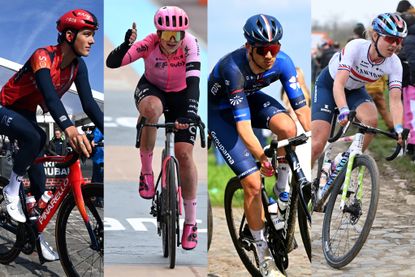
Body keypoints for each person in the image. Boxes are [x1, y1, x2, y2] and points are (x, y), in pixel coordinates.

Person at [208, 14, 310, 276]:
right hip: (220, 114)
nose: (269, 56)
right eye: (262, 50)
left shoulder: (283, 62)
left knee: (288, 128)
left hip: (249, 100)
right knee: (253, 183)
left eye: (274, 49)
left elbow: (303, 113)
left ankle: (280, 192)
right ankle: (262, 254)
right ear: (248, 47)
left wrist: (315, 139)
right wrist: (263, 159)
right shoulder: (233, 68)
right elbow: (243, 128)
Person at [0, 9, 103, 261]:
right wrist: (69, 128)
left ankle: (35, 235)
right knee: (35, 137)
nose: (92, 41)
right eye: (87, 34)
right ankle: (11, 190)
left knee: (39, 180)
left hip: (27, 114)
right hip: (5, 108)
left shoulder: (78, 67)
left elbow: (89, 104)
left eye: (93, 35)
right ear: (69, 35)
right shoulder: (43, 56)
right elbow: (50, 97)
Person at [106, 6, 201, 250]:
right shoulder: (148, 43)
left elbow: (193, 84)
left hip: (182, 96)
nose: (172, 41)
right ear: (158, 33)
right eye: (167, 35)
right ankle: (147, 171)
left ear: (183, 34)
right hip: (152, 90)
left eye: (177, 35)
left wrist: (189, 115)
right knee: (151, 110)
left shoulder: (191, 44)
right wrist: (126, 45)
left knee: (184, 154)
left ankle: (191, 224)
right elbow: (112, 62)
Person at [311, 13, 407, 165]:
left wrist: (399, 128)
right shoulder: (356, 47)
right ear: (375, 36)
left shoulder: (394, 63)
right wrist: (343, 110)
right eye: (390, 39)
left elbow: (395, 100)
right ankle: (301, 187)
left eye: (399, 40)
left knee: (371, 120)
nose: (395, 45)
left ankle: (344, 163)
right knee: (316, 145)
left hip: (355, 90)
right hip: (329, 85)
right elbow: (339, 84)